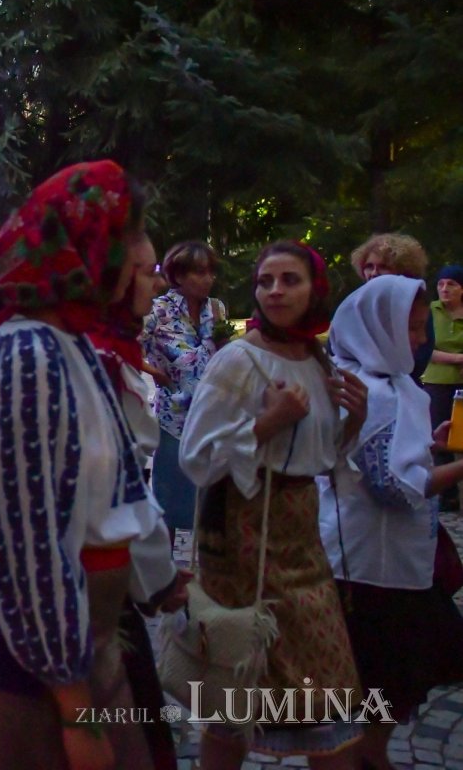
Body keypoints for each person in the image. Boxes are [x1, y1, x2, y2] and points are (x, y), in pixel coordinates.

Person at [0, 160, 186, 770]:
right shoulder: (28, 355)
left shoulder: (73, 343)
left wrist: (161, 581)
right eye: (134, 237)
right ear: (90, 245)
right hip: (34, 672)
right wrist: (77, 712)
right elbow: (27, 547)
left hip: (87, 650)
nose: (149, 264)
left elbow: (118, 488)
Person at [179, 241, 368, 769]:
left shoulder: (317, 357)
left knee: (322, 689)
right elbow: (196, 458)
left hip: (301, 534)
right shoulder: (238, 360)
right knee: (237, 684)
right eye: (266, 281)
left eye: (290, 280)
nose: (277, 291)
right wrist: (267, 421)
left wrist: (354, 418)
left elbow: (321, 456)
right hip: (244, 537)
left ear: (315, 289)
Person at [318, 274, 463, 770]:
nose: (422, 341)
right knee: (378, 683)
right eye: (414, 331)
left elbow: (398, 460)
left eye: (424, 330)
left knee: (389, 689)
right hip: (370, 570)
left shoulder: (398, 385)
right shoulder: (372, 392)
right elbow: (395, 487)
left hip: (396, 563)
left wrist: (433, 446)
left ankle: (369, 756)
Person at [141, 240, 226, 540]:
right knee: (173, 504)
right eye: (199, 272)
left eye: (210, 272)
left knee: (210, 504)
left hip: (213, 415)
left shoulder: (216, 309)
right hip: (174, 417)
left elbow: (223, 354)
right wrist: (156, 373)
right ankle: (165, 571)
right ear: (178, 275)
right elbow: (125, 347)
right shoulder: (158, 310)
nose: (207, 279)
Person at [349, 232, 433, 378]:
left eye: (383, 267)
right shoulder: (353, 306)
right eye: (369, 266)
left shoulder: (417, 309)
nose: (374, 273)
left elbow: (418, 360)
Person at [421, 264, 463, 511]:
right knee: (439, 436)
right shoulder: (430, 312)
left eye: (452, 284)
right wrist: (458, 359)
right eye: (441, 284)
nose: (445, 289)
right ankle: (448, 495)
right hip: (436, 381)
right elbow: (425, 349)